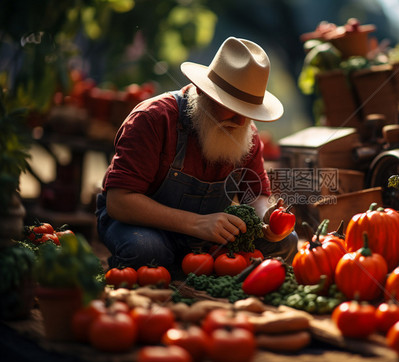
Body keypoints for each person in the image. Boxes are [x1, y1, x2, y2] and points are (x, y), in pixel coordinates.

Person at [96, 37, 298, 275]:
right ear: (204, 91)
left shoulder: (246, 133)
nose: (241, 120)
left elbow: (255, 196)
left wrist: (269, 217)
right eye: (233, 107)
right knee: (147, 250)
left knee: (287, 242)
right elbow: (119, 202)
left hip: (208, 237)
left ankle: (185, 267)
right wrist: (197, 223)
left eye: (248, 111)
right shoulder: (153, 119)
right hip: (145, 227)